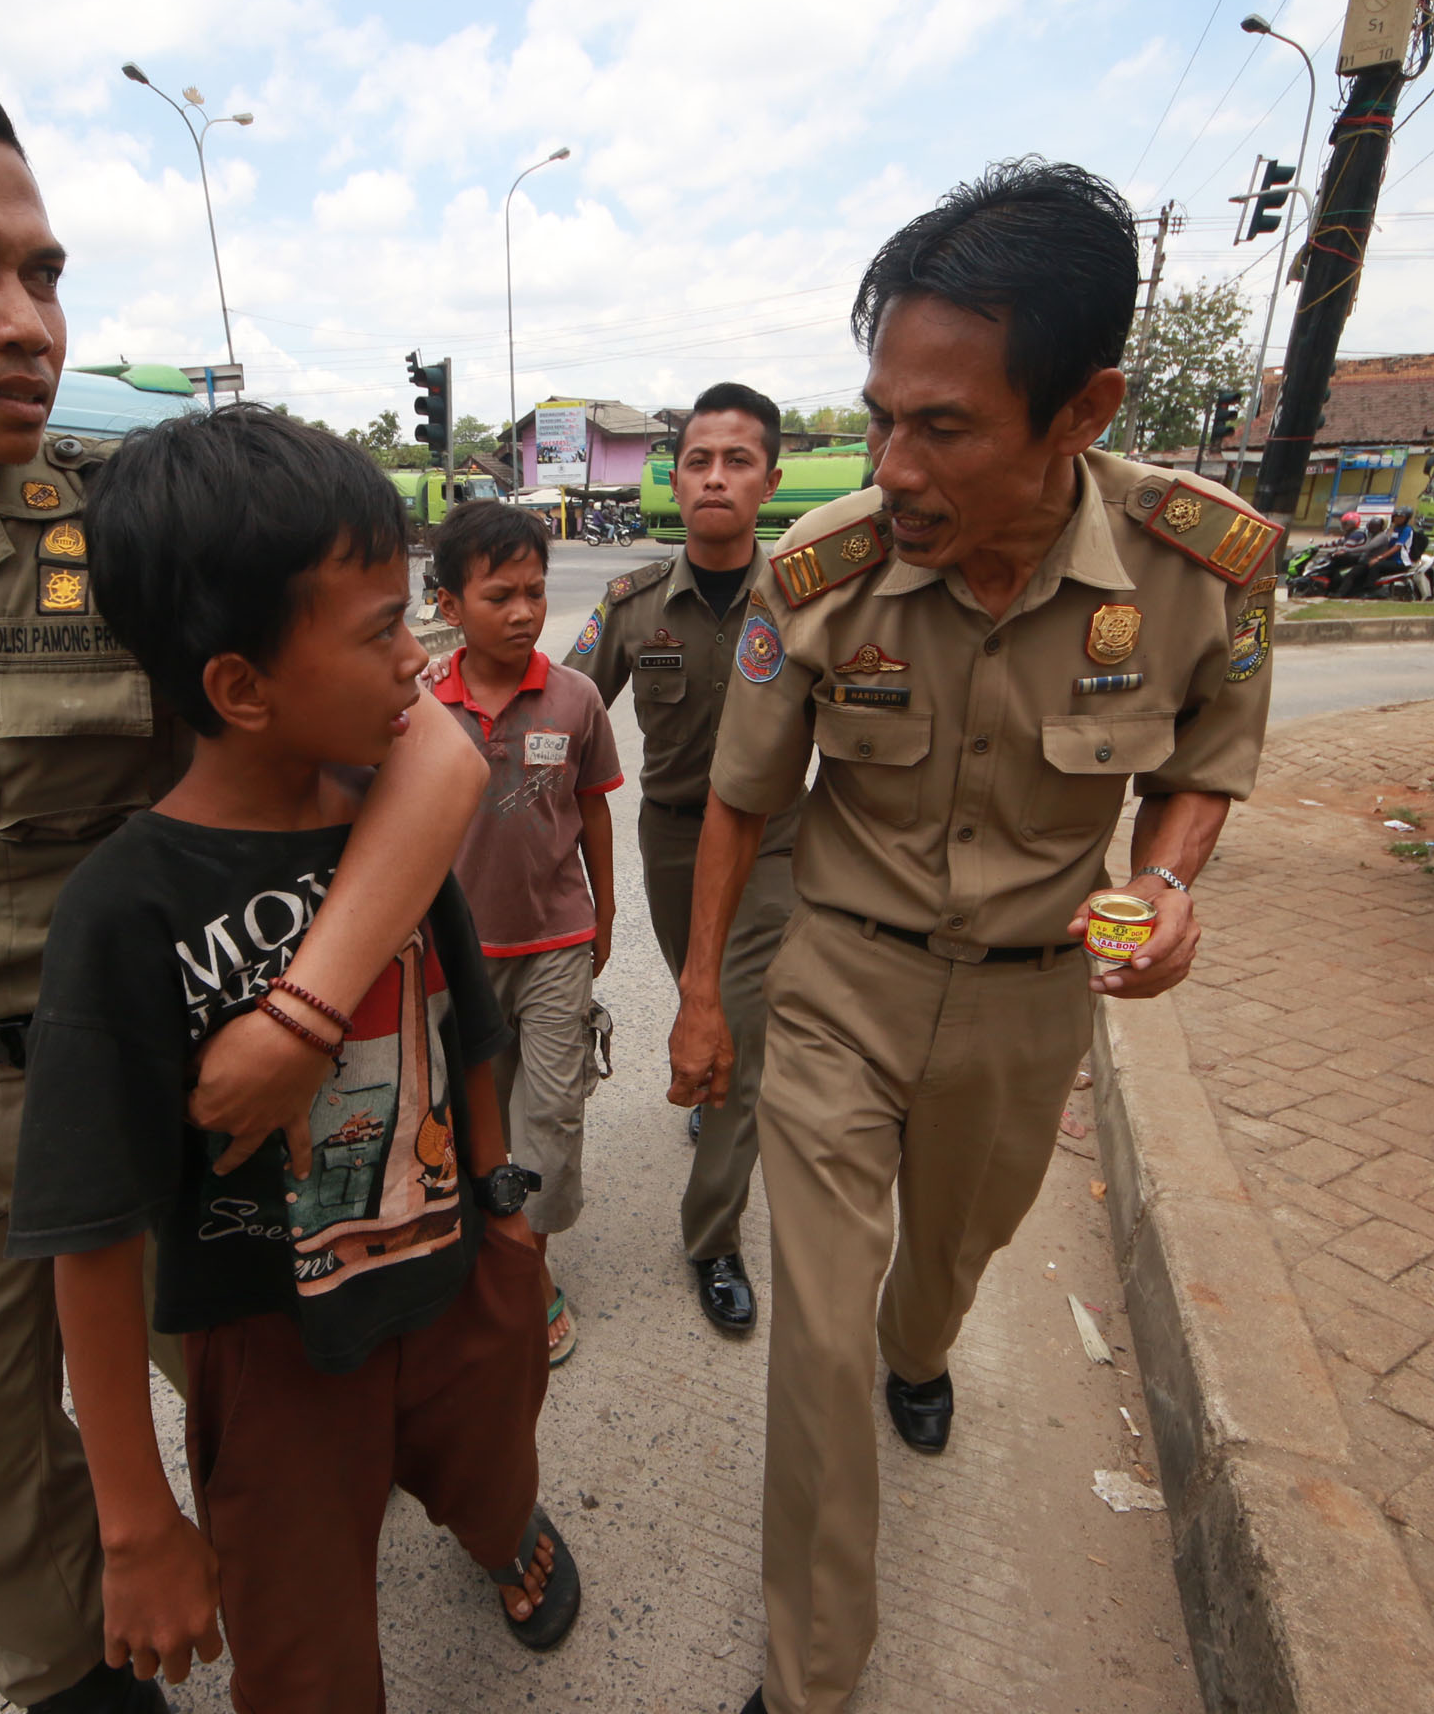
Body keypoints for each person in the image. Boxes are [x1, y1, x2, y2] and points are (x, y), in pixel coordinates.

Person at [0, 42, 482, 1714]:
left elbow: (432, 750)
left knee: (295, 1409)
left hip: (189, 1089)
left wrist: (305, 1004)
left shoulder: (134, 522)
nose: (25, 318)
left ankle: (471, 1512)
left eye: (40, 269)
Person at [666, 160, 1273, 1714]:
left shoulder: (1197, 567)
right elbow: (741, 797)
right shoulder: (826, 574)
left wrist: (1177, 883)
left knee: (946, 1262)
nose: (895, 465)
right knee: (816, 1341)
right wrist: (700, 1000)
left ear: (1080, 413)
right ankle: (812, 1677)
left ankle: (924, 1349)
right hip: (842, 987)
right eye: (880, 417)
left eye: (943, 427)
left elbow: (1205, 752)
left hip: (1028, 1006)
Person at [13, 406, 578, 1709]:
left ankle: (499, 1534)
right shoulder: (124, 908)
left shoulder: (395, 825)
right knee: (307, 1654)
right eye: (383, 630)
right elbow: (89, 1232)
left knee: (494, 1467)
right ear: (240, 688)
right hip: (271, 1353)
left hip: (455, 1284)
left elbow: (470, 1028)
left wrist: (505, 1220)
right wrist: (138, 1518)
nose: (417, 662)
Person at [564, 380, 799, 1337]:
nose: (715, 478)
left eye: (737, 460)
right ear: (674, 476)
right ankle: (715, 1086)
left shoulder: (805, 599)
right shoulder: (631, 604)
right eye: (698, 459)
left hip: (776, 841)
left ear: (769, 480)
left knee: (731, 1017)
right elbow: (565, 710)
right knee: (693, 986)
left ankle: (713, 1240)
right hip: (669, 838)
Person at [430, 500, 622, 1366]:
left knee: (549, 1115)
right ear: (447, 607)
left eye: (536, 593)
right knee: (476, 1124)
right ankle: (473, 1259)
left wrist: (606, 915)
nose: (523, 612)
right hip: (453, 961)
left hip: (553, 949)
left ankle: (529, 1274)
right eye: (500, 595)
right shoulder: (421, 707)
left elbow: (593, 813)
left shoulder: (576, 699)